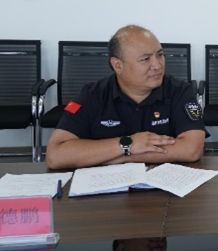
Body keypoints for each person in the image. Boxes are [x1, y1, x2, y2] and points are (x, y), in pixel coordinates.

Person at [45, 25, 207, 169]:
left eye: (160, 55)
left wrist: (121, 156)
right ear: (118, 65)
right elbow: (55, 156)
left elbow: (191, 150)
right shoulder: (93, 96)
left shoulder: (179, 91)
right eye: (145, 59)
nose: (157, 65)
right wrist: (127, 144)